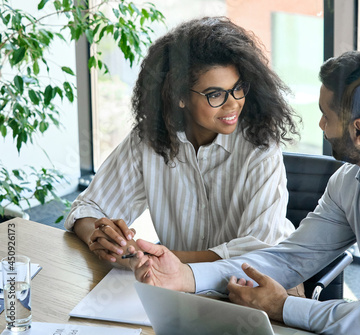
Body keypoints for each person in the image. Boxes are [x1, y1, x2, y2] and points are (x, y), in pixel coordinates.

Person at [128, 50, 360, 334]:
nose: (320, 124)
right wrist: (186, 276)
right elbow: (289, 260)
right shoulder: (350, 181)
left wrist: (283, 306)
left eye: (326, 115)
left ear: (359, 132)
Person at [64, 16, 300, 268]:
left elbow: (257, 251)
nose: (233, 103)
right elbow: (88, 208)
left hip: (255, 284)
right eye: (216, 94)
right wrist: (101, 237)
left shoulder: (261, 146)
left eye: (238, 87)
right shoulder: (150, 138)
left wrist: (159, 259)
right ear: (179, 97)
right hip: (177, 286)